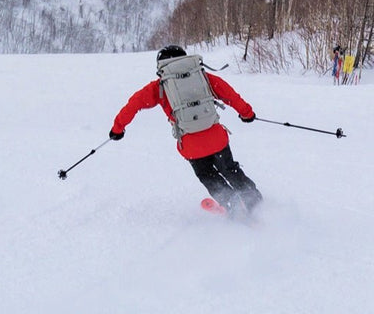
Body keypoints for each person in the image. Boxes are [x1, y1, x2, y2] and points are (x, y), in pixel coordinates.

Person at [109, 45, 263, 215]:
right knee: (230, 169)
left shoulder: (159, 87)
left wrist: (118, 129)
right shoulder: (203, 77)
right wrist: (247, 113)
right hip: (216, 138)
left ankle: (231, 202)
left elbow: (133, 105)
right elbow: (231, 95)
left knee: (207, 175)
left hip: (191, 145)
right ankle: (254, 201)